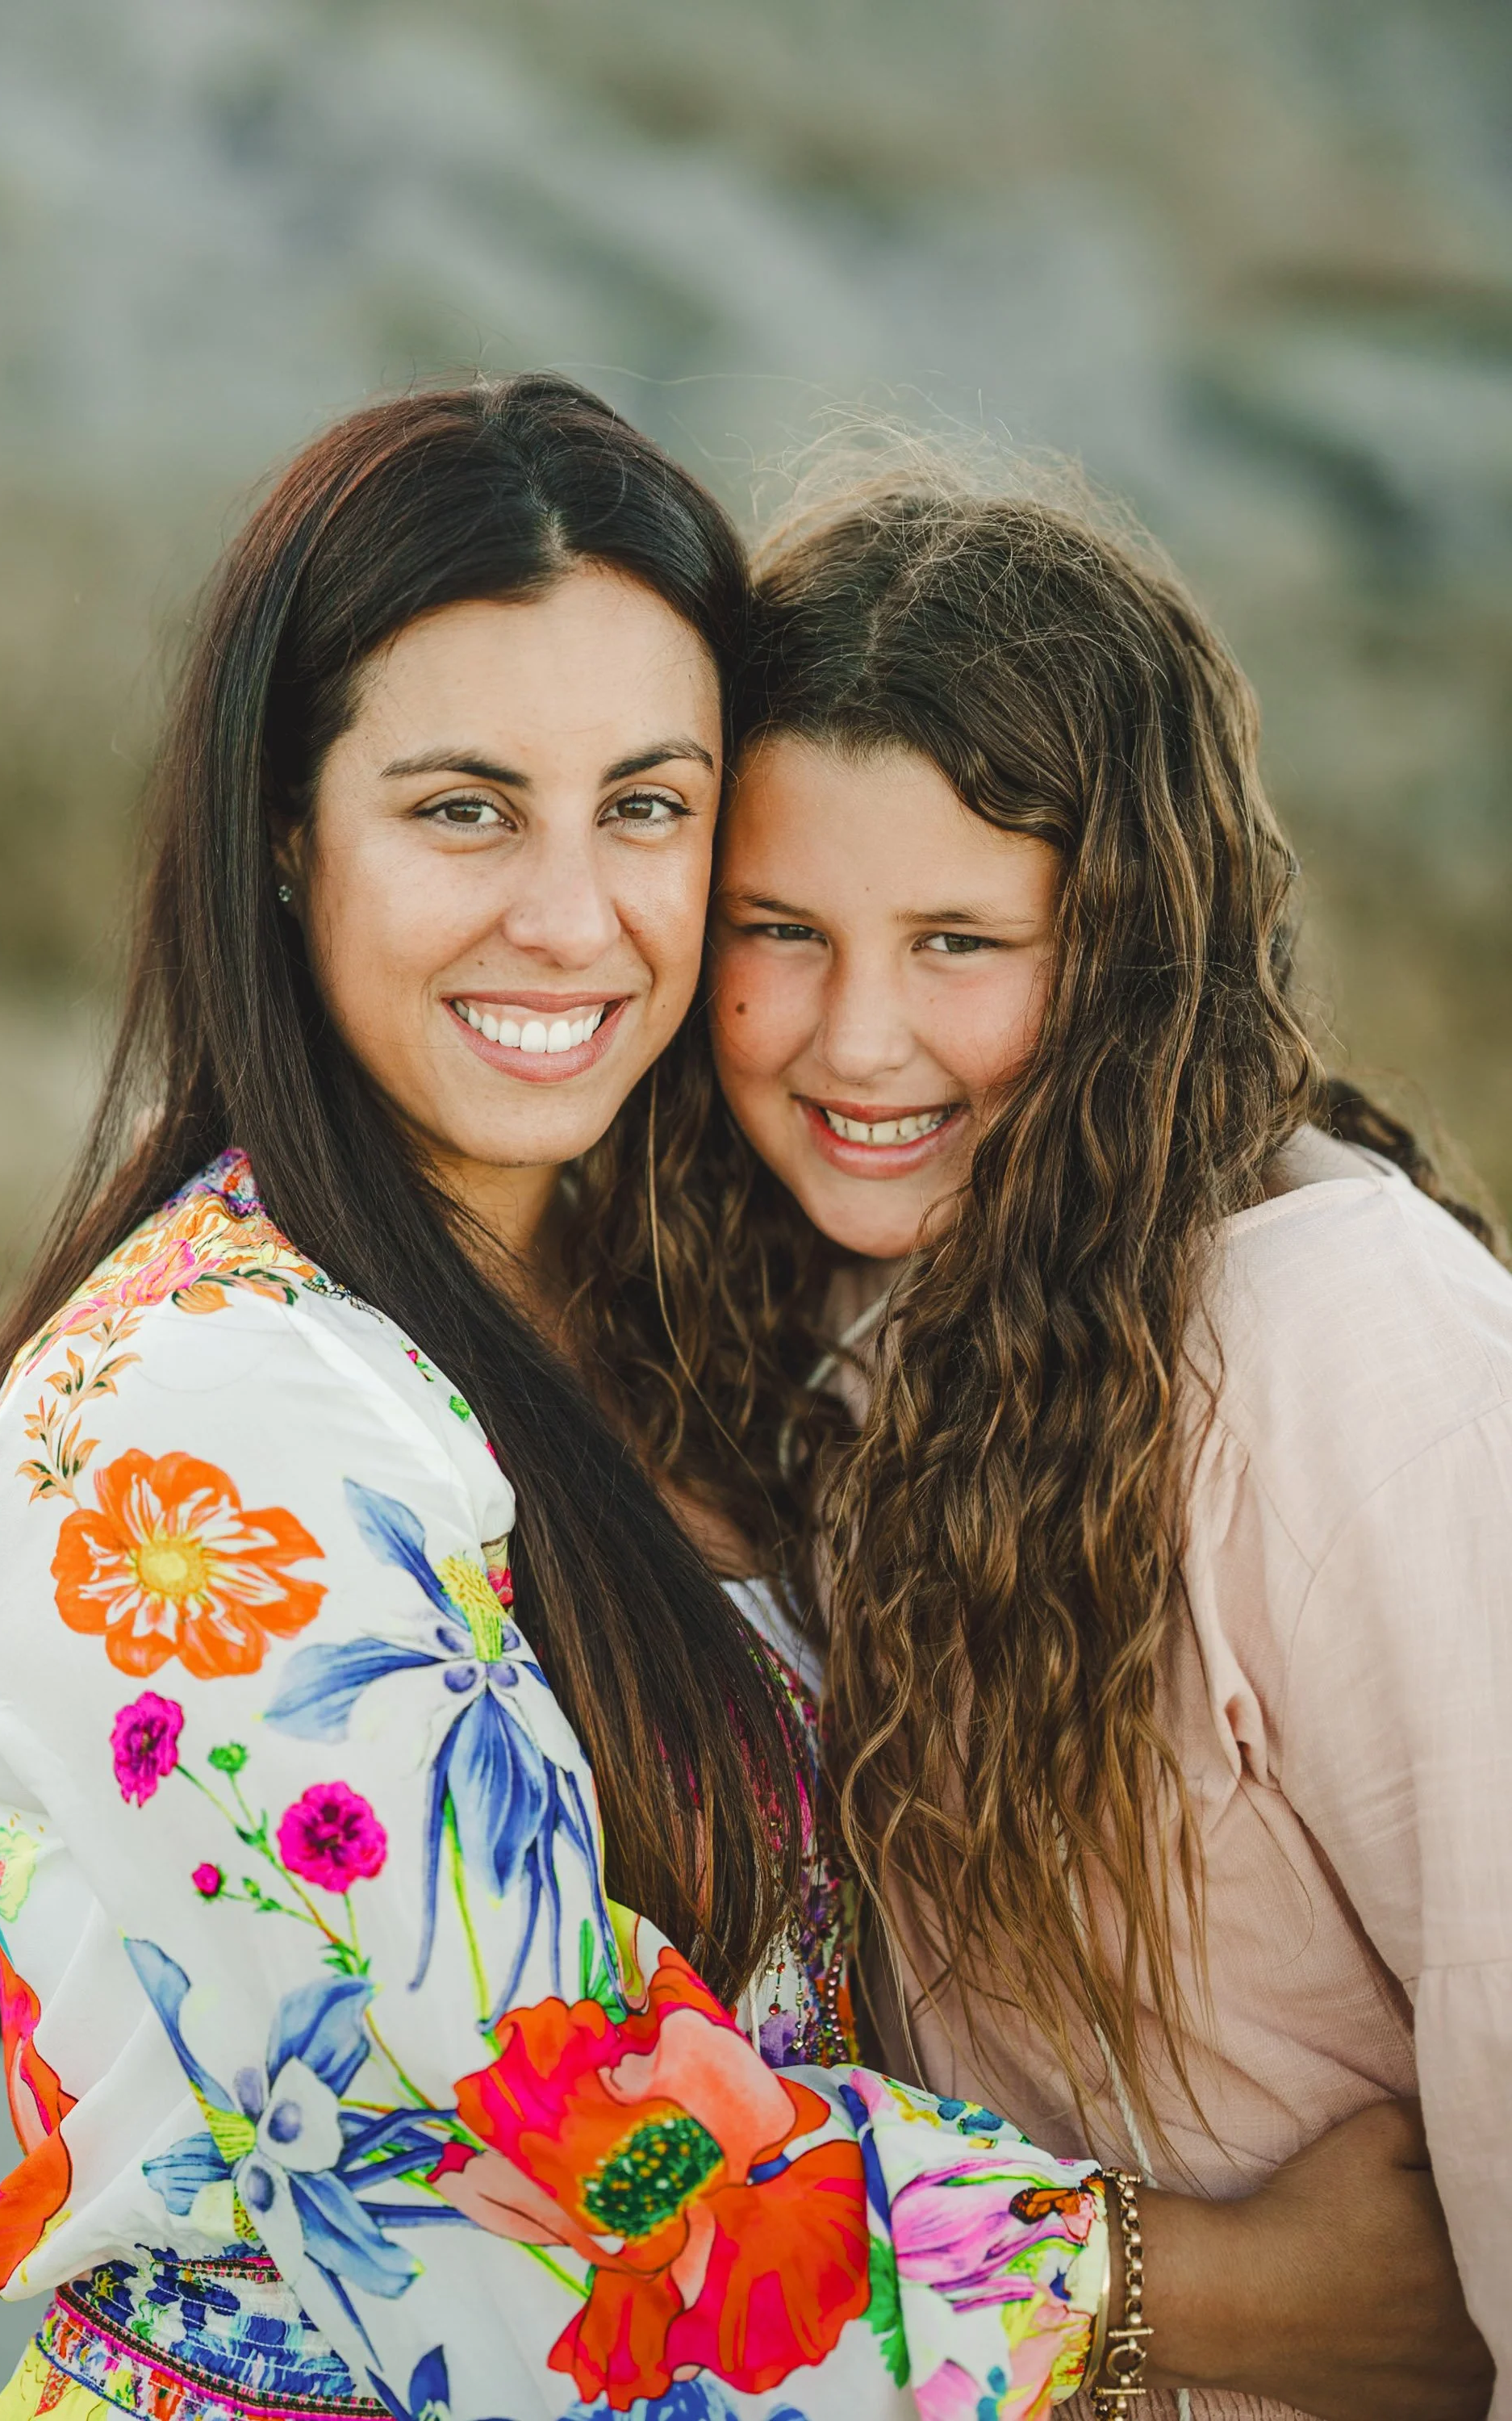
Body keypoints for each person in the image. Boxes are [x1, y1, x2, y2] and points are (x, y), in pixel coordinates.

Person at [0, 383, 1123, 2421]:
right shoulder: (195, 1423)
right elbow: (585, 2191)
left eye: (645, 808)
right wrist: (1212, 2285)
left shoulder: (666, 1293)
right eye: (464, 807)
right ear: (286, 835)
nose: (571, 917)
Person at [565, 468, 1506, 2416]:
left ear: (1131, 958)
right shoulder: (795, 1319)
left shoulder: (1350, 1346)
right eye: (779, 928)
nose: (855, 1042)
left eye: (961, 941)